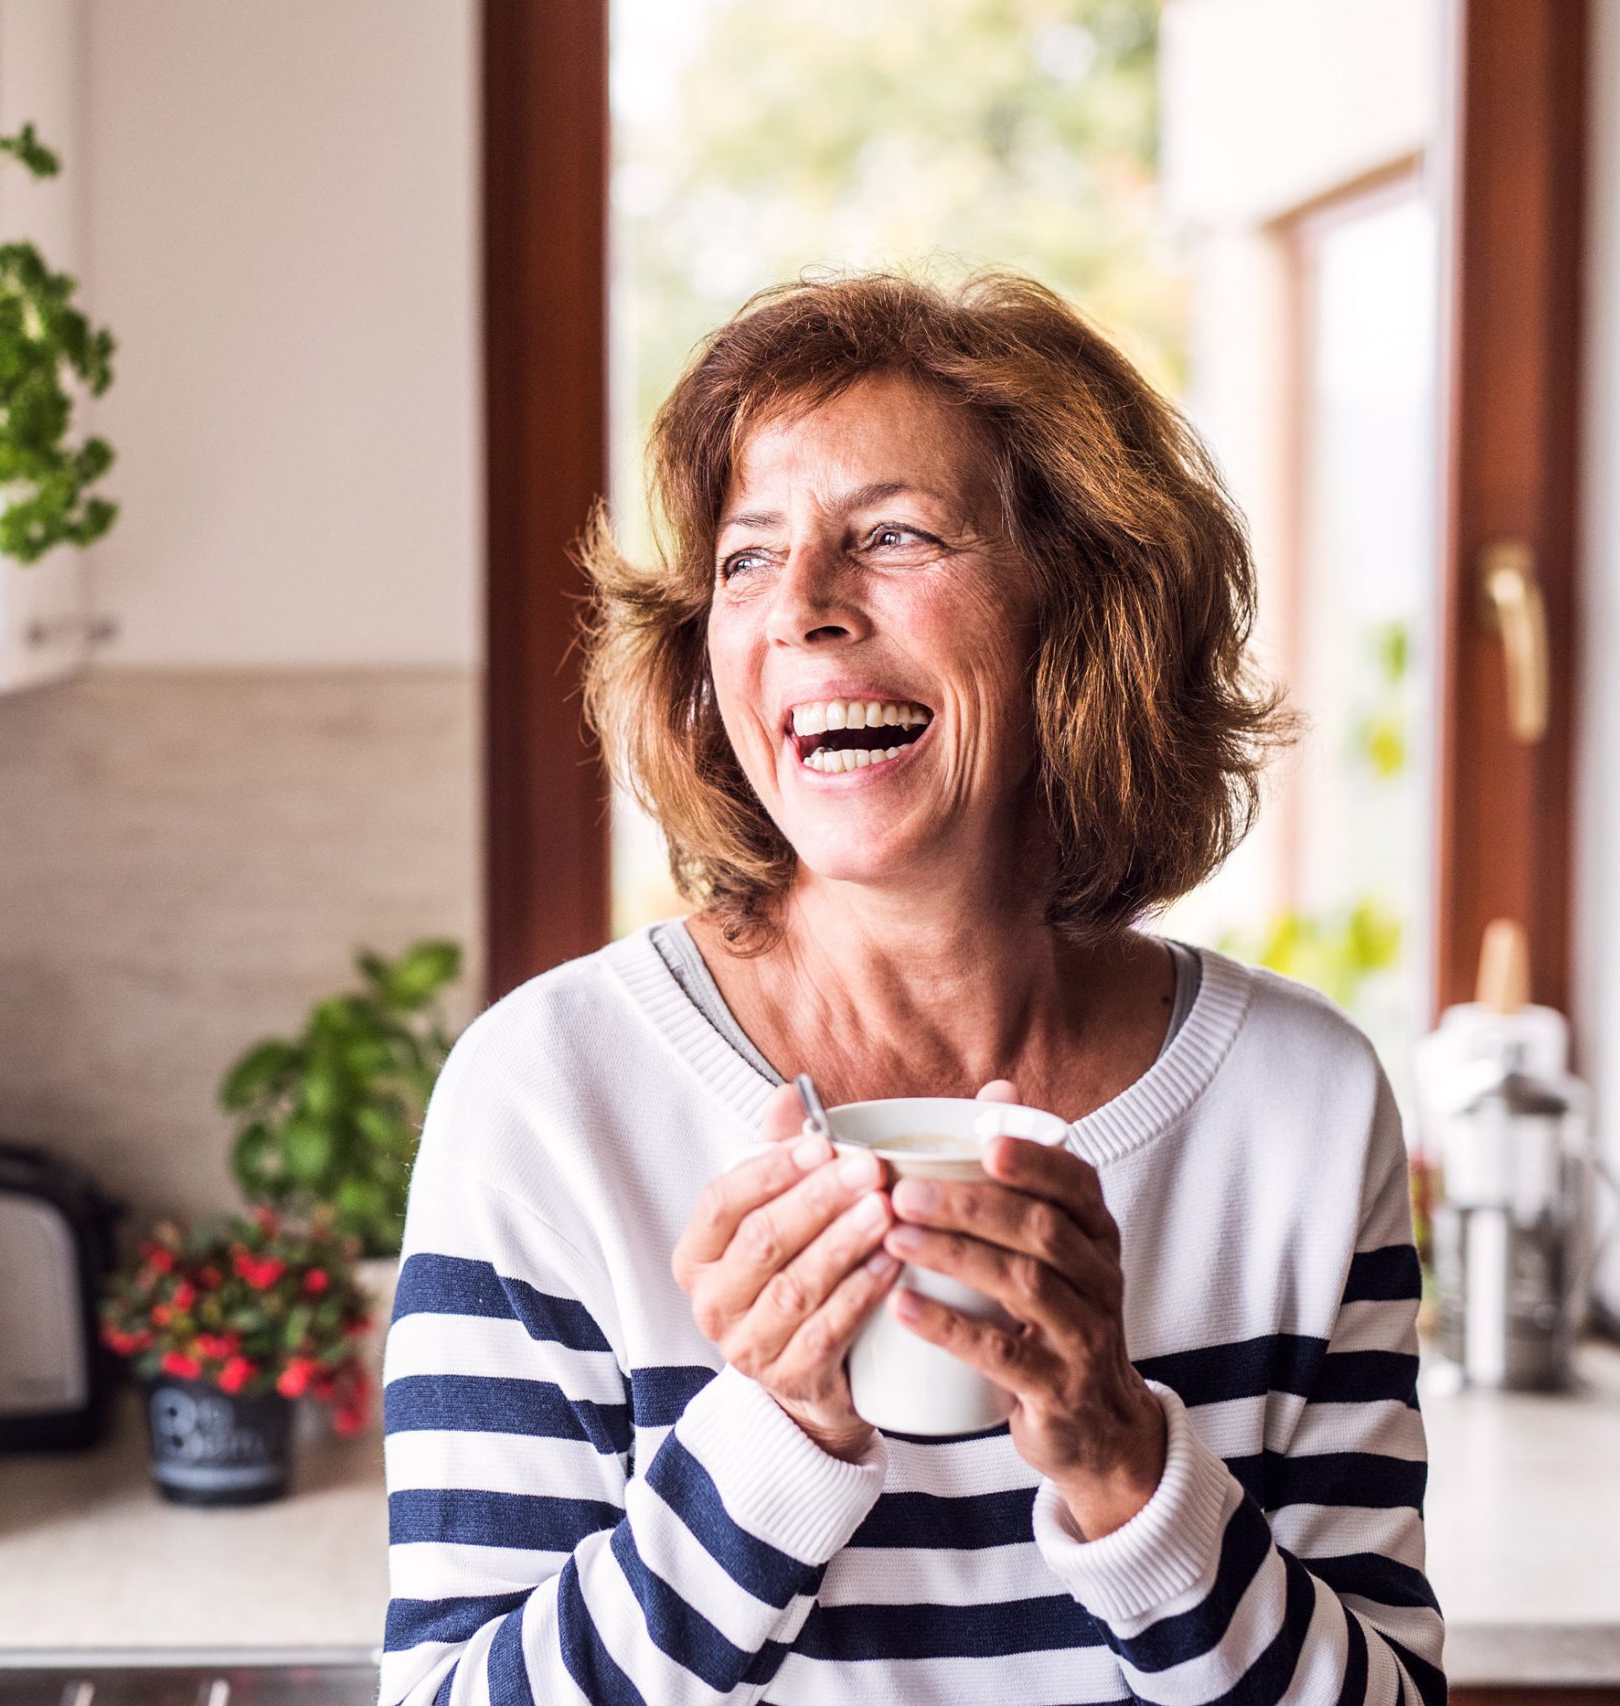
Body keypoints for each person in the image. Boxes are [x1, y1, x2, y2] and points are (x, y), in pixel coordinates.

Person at [378, 273, 1441, 1705]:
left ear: (1077, 608)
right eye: (748, 559)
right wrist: (772, 1439)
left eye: (891, 536)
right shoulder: (547, 1100)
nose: (803, 608)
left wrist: (1127, 1465)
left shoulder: (1298, 1108)